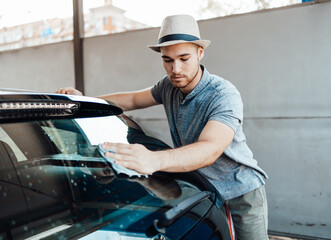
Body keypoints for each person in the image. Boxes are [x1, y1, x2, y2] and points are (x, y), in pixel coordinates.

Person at [56, 14, 268, 239]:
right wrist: (85, 100)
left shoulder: (223, 95)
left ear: (200, 53)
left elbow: (210, 149)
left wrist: (152, 160)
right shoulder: (168, 86)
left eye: (184, 58)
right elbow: (132, 100)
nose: (176, 69)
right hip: (202, 190)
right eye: (168, 60)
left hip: (241, 193)